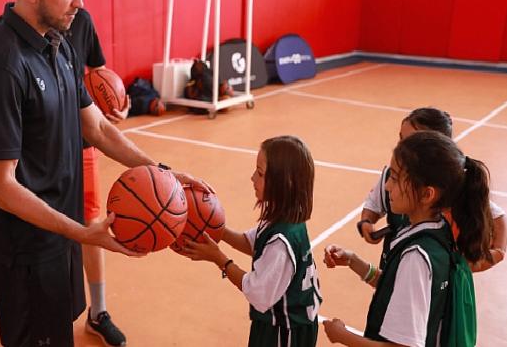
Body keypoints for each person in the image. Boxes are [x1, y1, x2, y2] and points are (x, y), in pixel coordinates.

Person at [0, 0, 209, 345]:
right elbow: (0, 187)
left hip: (59, 235)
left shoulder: (57, 45)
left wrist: (163, 173)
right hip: (28, 252)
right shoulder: (0, 64)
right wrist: (81, 232)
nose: (80, 3)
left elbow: (97, 129)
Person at [323, 131, 494, 346]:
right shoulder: (439, 231)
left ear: (426, 194)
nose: (387, 186)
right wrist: (353, 261)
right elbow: (398, 288)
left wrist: (342, 335)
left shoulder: (417, 256)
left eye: (394, 178)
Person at [183, 135, 322, 347]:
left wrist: (219, 259)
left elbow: (257, 293)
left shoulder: (280, 243)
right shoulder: (286, 216)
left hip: (285, 332)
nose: (252, 178)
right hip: (284, 323)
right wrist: (213, 228)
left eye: (260, 173)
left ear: (284, 183)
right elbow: (252, 243)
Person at [357, 107, 505, 271]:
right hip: (395, 268)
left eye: (411, 140)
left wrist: (496, 253)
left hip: (430, 281)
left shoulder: (455, 186)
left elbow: (497, 218)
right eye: (401, 139)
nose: (401, 146)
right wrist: (366, 221)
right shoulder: (391, 177)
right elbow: (373, 205)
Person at [67, 9, 129, 346]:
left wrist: (117, 99)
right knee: (43, 228)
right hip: (41, 149)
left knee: (92, 225)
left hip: (82, 140)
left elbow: (99, 71)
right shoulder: (18, 32)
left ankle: (98, 312)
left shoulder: (82, 19)